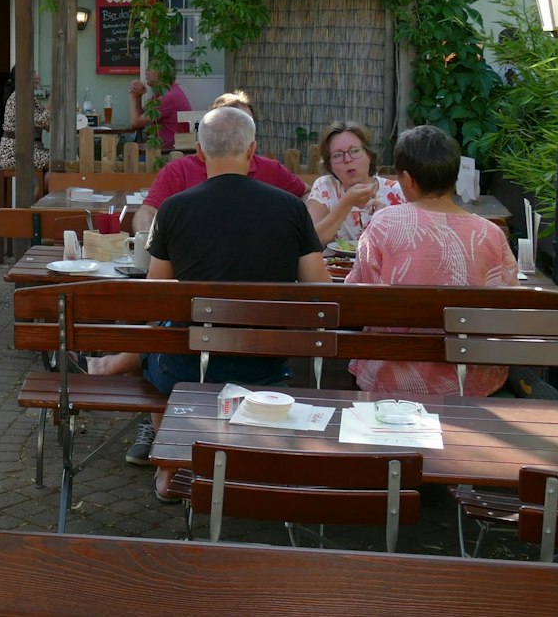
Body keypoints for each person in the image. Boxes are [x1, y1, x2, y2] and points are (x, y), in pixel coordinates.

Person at [111, 106, 330, 477]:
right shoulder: (291, 208)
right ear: (252, 150)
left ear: (199, 152)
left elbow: (156, 296)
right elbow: (321, 292)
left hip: (189, 365)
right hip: (266, 364)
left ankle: (172, 461)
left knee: (152, 346)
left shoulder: (174, 210)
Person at [345, 125, 518, 396]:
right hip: (470, 381)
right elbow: (508, 310)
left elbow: (356, 298)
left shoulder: (385, 223)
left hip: (393, 376)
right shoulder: (490, 234)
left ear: (408, 180)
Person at [131, 91, 306, 236]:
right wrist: (147, 241)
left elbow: (307, 194)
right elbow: (148, 211)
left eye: (245, 124)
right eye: (230, 124)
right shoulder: (179, 170)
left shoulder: (269, 169)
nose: (238, 131)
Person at [304, 121, 406, 247]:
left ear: (369, 155)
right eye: (337, 155)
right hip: (333, 265)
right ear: (329, 165)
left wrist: (382, 220)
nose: (348, 159)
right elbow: (309, 242)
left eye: (355, 150)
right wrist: (346, 203)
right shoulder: (325, 187)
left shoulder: (397, 192)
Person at [0, 68, 51, 174]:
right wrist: (53, 101)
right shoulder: (19, 97)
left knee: (64, 158)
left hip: (32, 151)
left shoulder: (31, 98)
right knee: (59, 163)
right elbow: (41, 121)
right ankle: (43, 189)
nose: (37, 77)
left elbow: (47, 124)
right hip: (14, 154)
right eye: (32, 73)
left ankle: (43, 189)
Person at [123, 68, 191, 148]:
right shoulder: (166, 93)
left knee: (128, 151)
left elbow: (135, 123)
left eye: (149, 69)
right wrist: (138, 97)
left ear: (160, 73)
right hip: (165, 148)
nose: (146, 72)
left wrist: (133, 95)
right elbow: (141, 120)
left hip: (168, 153)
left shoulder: (168, 97)